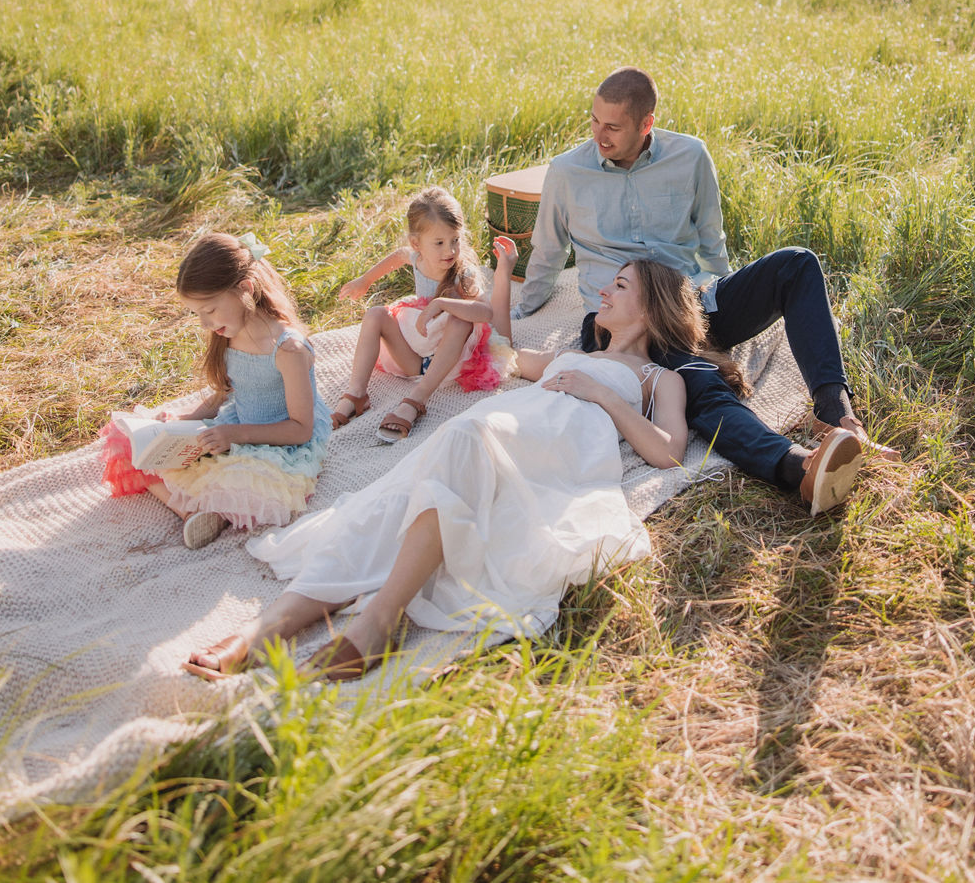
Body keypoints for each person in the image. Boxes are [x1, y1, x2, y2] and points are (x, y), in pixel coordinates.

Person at [184, 259, 690, 682]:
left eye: (620, 285)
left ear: (651, 308)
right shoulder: (572, 355)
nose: (604, 288)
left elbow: (668, 451)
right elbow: (503, 350)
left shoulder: (658, 378)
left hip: (553, 445)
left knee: (464, 444)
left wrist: (599, 392)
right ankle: (266, 627)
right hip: (503, 422)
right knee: (391, 501)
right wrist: (495, 279)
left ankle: (379, 619)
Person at [511, 66, 899, 503]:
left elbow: (712, 241)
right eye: (595, 121)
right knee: (699, 380)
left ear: (646, 124)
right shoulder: (567, 171)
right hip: (628, 318)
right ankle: (799, 467)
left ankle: (837, 418)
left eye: (613, 127)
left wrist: (722, 296)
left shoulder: (690, 155)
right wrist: (521, 311)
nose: (600, 135)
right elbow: (547, 252)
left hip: (691, 301)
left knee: (796, 263)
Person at [100, 231, 332, 549]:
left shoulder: (287, 349)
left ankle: (208, 508)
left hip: (278, 444)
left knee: (245, 483)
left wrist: (233, 436)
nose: (205, 324)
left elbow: (301, 429)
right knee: (127, 439)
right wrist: (187, 417)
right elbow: (232, 391)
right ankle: (191, 511)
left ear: (245, 289)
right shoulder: (230, 333)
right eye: (198, 314)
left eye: (209, 311)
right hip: (234, 428)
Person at [331, 186, 516, 443]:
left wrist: (443, 303)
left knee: (459, 320)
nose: (449, 250)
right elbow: (397, 256)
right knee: (375, 314)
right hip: (415, 356)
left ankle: (417, 398)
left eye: (455, 240)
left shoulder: (464, 274)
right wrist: (365, 280)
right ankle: (356, 394)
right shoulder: (416, 258)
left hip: (451, 361)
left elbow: (485, 312)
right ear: (417, 243)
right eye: (439, 243)